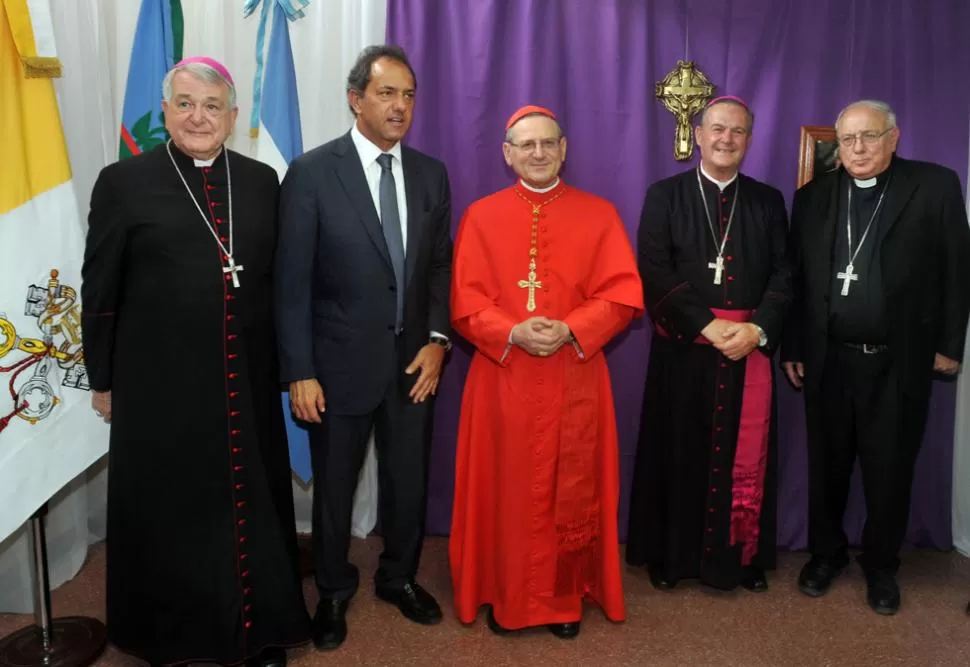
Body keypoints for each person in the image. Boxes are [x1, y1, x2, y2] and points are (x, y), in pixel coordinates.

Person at [81, 57, 310, 667]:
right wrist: (101, 377)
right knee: (171, 511)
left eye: (212, 105)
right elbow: (99, 290)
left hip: (247, 379)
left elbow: (281, 283)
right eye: (184, 104)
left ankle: (260, 630)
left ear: (234, 116)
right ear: (165, 113)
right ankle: (172, 637)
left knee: (252, 499)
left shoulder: (262, 182)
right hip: (160, 385)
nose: (198, 117)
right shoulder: (123, 182)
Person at [275, 45, 452, 650]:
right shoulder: (312, 172)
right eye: (386, 94)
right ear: (356, 100)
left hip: (413, 366)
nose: (400, 106)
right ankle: (332, 591)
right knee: (333, 489)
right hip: (336, 364)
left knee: (409, 480)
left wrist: (437, 340)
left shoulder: (431, 173)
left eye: (407, 95)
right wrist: (299, 369)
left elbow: (438, 270)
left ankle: (398, 579)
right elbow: (291, 280)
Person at [449, 105, 642, 638]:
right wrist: (511, 332)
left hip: (575, 375)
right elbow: (464, 300)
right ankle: (504, 592)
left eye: (547, 143)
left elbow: (623, 294)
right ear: (507, 154)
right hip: (502, 377)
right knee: (505, 491)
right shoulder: (481, 216)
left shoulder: (599, 214)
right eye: (525, 145)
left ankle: (563, 600)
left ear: (564, 149)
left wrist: (572, 327)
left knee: (568, 487)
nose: (537, 153)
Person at [782, 99, 970, 615]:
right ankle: (825, 556)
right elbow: (797, 283)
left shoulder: (934, 187)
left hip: (898, 361)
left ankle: (882, 566)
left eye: (869, 137)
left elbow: (959, 269)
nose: (858, 149)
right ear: (836, 147)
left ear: (894, 137)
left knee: (889, 471)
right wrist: (794, 345)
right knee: (829, 467)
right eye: (848, 141)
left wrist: (949, 345)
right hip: (830, 360)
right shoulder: (814, 198)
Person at [627, 96, 791, 593]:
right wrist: (705, 326)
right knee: (678, 452)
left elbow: (785, 273)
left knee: (746, 459)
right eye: (717, 129)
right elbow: (653, 269)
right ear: (698, 134)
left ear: (748, 139)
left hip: (747, 350)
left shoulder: (767, 201)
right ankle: (670, 557)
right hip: (685, 350)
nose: (726, 139)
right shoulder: (665, 195)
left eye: (737, 132)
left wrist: (757, 328)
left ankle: (741, 557)